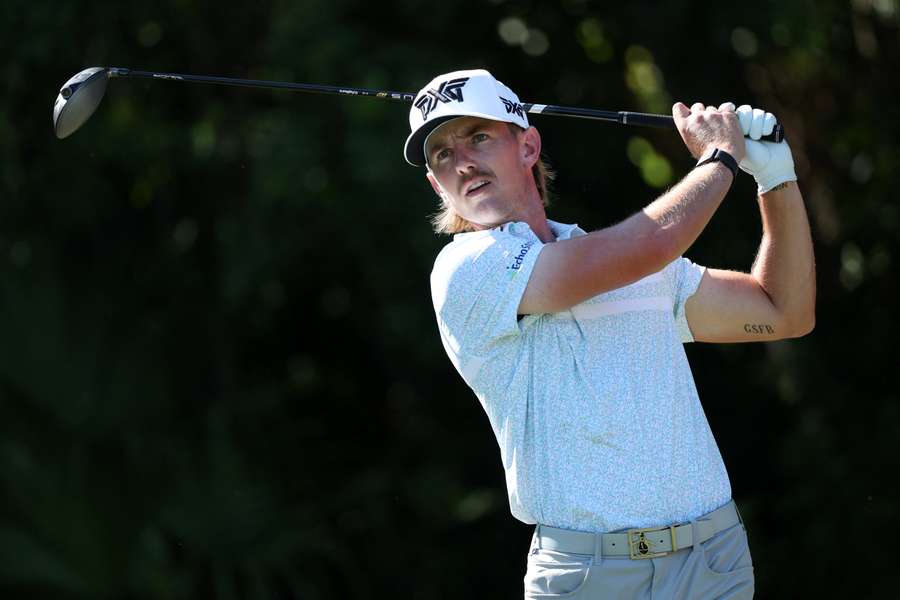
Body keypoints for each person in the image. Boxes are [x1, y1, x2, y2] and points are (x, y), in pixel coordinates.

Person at [403, 69, 815, 599]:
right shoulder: (465, 272)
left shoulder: (628, 264)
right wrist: (719, 160)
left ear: (528, 145)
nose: (462, 162)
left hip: (711, 565)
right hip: (588, 578)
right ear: (437, 185)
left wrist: (776, 178)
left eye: (478, 137)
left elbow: (784, 311)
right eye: (442, 155)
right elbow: (645, 245)